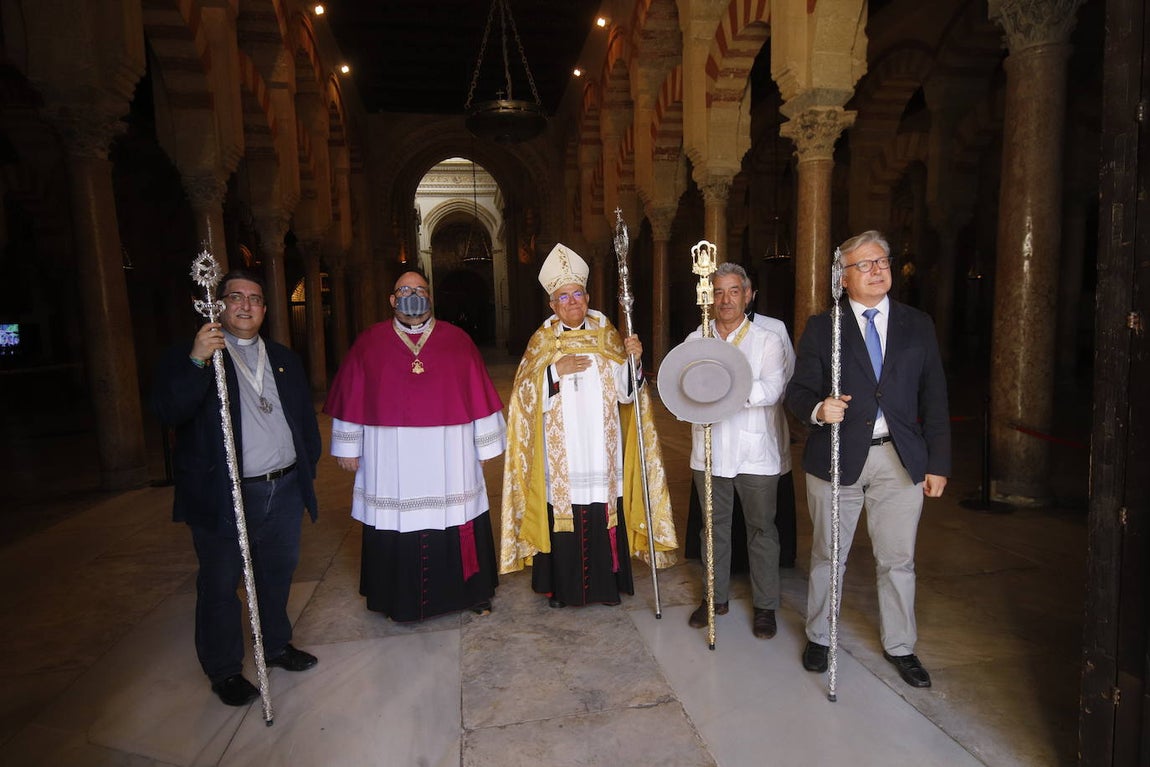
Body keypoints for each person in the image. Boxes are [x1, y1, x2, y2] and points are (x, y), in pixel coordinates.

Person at [786, 230, 950, 688]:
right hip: (837, 457)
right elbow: (798, 392)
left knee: (898, 559)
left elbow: (935, 395)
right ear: (843, 278)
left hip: (900, 459)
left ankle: (901, 645)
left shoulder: (918, 324)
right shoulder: (824, 327)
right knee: (828, 555)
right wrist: (819, 409)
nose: (877, 270)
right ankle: (820, 636)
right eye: (864, 264)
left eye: (882, 261)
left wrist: (938, 462)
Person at [152, 270, 321, 708]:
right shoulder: (194, 355)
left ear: (265, 309)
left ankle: (276, 645)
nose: (246, 305)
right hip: (225, 494)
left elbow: (303, 418)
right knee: (221, 582)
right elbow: (170, 411)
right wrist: (196, 361)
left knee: (277, 574)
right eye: (236, 297)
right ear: (218, 304)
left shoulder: (283, 357)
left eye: (255, 299)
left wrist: (306, 465)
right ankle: (224, 670)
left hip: (283, 487)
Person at [500, 243, 677, 608]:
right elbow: (522, 398)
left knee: (603, 510)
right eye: (563, 297)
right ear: (552, 304)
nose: (571, 302)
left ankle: (606, 587)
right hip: (561, 456)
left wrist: (633, 361)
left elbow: (627, 394)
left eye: (577, 294)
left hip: (600, 450)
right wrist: (553, 372)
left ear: (588, 297)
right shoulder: (542, 341)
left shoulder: (607, 335)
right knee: (563, 514)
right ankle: (562, 590)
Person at [325, 269, 506, 621]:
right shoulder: (369, 342)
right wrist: (348, 446)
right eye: (404, 290)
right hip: (390, 457)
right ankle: (397, 599)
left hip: (450, 451)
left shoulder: (457, 340)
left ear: (430, 296)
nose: (413, 296)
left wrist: (484, 446)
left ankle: (469, 592)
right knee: (395, 518)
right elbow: (352, 394)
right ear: (392, 299)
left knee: (459, 514)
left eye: (420, 290)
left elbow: (478, 390)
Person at [684, 262, 790, 639]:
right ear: (708, 298)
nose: (725, 299)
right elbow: (683, 387)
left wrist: (724, 391)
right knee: (712, 529)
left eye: (733, 291)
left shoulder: (767, 339)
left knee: (762, 529)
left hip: (755, 452)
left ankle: (765, 606)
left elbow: (772, 389)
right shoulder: (696, 339)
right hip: (709, 452)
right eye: (718, 292)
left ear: (747, 295)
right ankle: (714, 598)